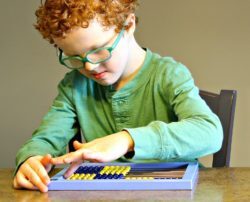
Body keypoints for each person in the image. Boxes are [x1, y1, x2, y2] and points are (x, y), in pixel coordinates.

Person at [13, 0, 223, 193]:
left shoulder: (169, 75)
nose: (89, 66)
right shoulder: (74, 86)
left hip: (177, 193)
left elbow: (209, 132)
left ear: (128, 25)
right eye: (74, 57)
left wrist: (127, 140)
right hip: (107, 194)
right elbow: (47, 138)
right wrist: (32, 159)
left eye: (98, 50)